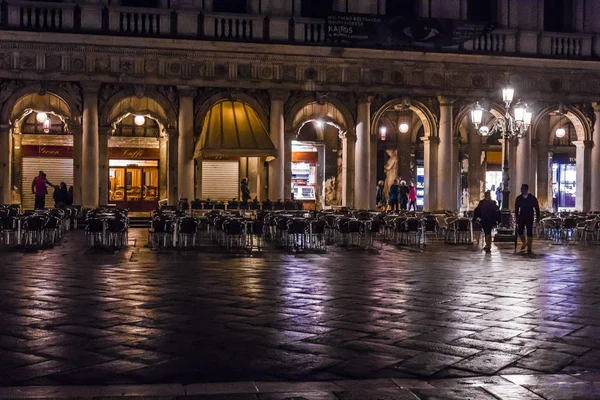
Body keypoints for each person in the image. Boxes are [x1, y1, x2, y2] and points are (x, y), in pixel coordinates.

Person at [515, 184, 540, 254]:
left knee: (529, 231)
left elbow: (537, 208)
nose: (521, 190)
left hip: (529, 216)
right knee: (520, 231)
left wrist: (538, 217)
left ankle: (529, 246)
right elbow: (516, 209)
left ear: (526, 189)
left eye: (523, 189)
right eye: (521, 189)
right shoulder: (519, 198)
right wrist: (517, 217)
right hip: (522, 216)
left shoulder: (532, 198)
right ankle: (524, 242)